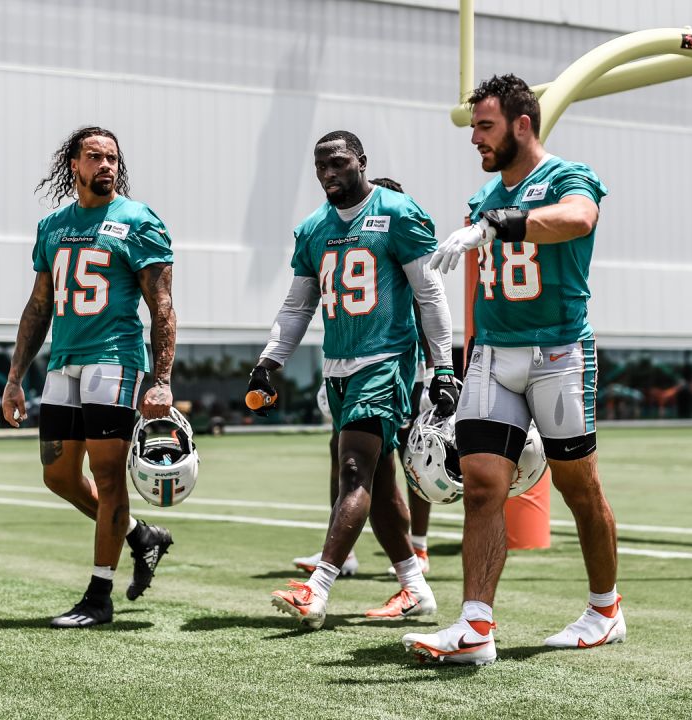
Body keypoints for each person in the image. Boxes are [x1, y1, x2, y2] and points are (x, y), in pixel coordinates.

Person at [403, 75, 622, 664]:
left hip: (557, 352)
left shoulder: (567, 176)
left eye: (485, 126)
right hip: (493, 356)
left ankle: (605, 610)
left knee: (579, 488)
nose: (474, 137)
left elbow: (577, 219)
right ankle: (476, 627)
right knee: (480, 487)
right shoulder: (483, 196)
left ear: (522, 124)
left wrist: (499, 223)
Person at [250, 132, 457, 629]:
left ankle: (318, 587)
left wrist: (443, 367)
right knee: (380, 486)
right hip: (339, 366)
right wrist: (269, 361)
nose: (328, 173)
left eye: (338, 162)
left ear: (362, 162)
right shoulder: (313, 229)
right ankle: (414, 586)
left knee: (352, 468)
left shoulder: (398, 212)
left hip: (385, 361)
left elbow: (429, 296)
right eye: (320, 165)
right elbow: (299, 304)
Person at [3, 126, 178, 629]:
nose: (106, 165)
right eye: (95, 157)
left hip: (115, 359)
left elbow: (162, 306)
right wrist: (15, 377)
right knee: (57, 474)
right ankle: (141, 535)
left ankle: (98, 597)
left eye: (113, 158)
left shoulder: (138, 220)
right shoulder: (53, 226)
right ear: (73, 165)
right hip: (65, 360)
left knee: (107, 476)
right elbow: (39, 306)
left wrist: (160, 378)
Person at [290, 177, 436, 579]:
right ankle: (357, 556)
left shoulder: (400, 240)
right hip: (350, 368)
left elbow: (428, 310)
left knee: (406, 461)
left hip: (398, 369)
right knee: (354, 460)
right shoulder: (337, 234)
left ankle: (417, 549)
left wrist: (435, 371)